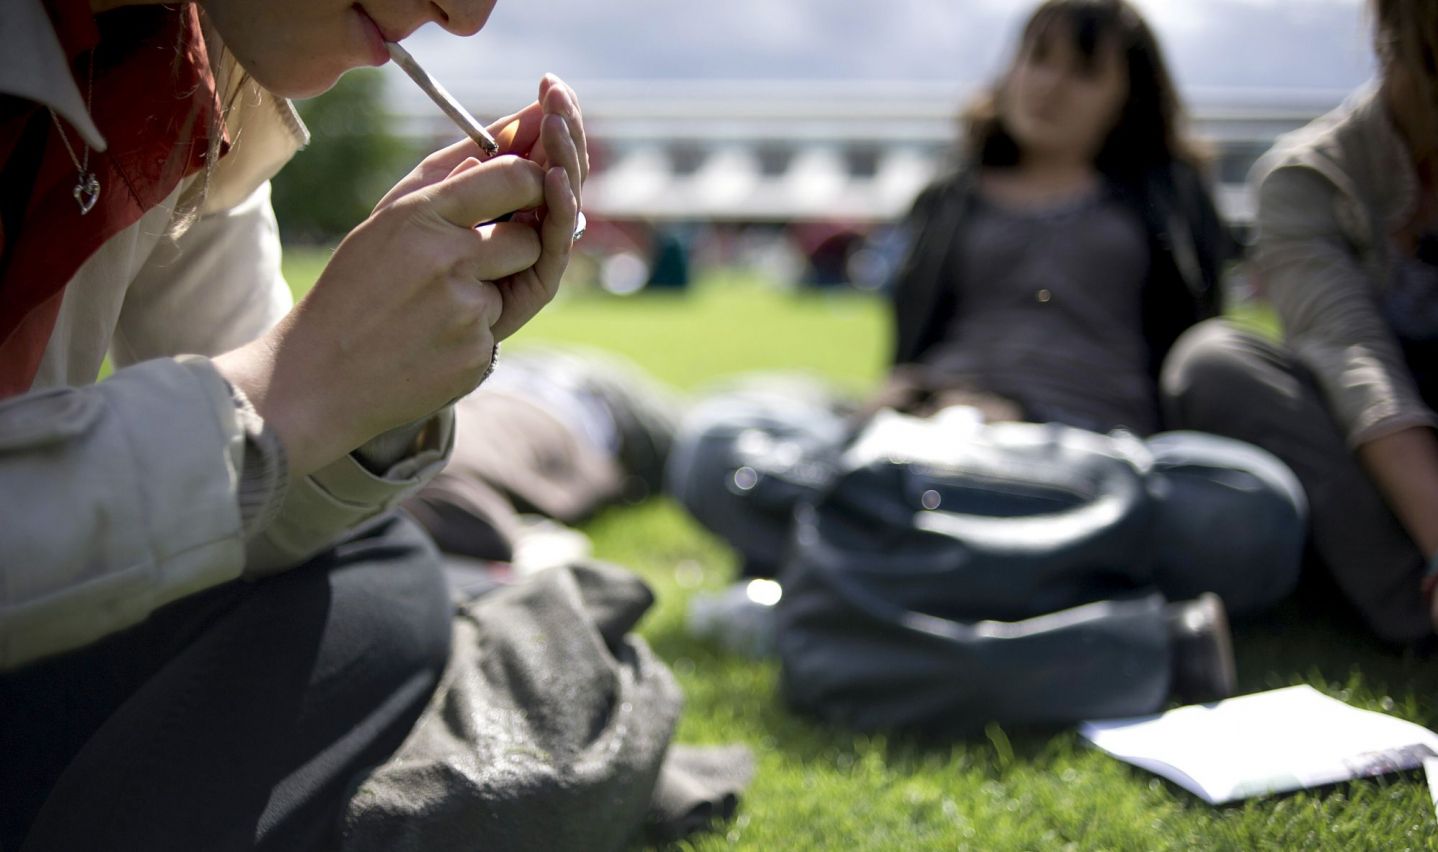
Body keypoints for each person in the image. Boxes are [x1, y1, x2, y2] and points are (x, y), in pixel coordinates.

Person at [0, 0, 586, 847]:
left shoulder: (191, 68)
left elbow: (262, 502)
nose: (463, 17)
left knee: (380, 570)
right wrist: (296, 382)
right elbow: (265, 412)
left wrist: (381, 383)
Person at [667, 0, 1307, 730]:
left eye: (1083, 71)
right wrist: (925, 397)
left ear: (1129, 96)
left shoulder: (1166, 196)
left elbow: (1191, 352)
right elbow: (914, 349)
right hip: (931, 447)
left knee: (1257, 508)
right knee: (717, 440)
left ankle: (844, 586)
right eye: (1037, 58)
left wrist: (1029, 420)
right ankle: (1115, 623)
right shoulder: (950, 196)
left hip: (1081, 466)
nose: (1048, 86)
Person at [1161, 0, 1438, 646]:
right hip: (1375, 464)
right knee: (1214, 364)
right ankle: (1412, 601)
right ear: (1392, 41)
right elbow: (1352, 356)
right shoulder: (1307, 176)